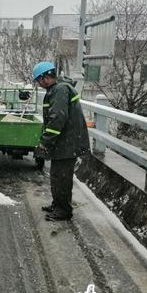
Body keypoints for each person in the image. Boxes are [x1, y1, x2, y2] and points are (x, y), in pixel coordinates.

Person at [33, 61, 90, 221]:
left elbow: (57, 118)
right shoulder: (57, 89)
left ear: (44, 78)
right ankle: (57, 204)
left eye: (38, 80)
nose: (39, 84)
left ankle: (63, 210)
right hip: (63, 143)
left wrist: (45, 141)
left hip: (68, 143)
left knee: (62, 178)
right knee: (57, 176)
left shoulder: (60, 90)